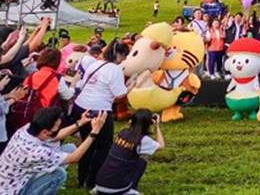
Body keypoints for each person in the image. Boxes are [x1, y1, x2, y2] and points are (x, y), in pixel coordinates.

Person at [72, 39, 136, 189]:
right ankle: (93, 180)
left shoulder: (94, 64)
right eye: (124, 56)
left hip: (81, 106)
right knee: (103, 147)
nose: (124, 59)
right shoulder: (114, 70)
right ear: (118, 54)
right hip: (99, 110)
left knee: (87, 143)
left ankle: (82, 178)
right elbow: (120, 95)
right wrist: (132, 85)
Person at [0, 107, 107, 195]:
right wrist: (95, 131)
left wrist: (80, 123)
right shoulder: (35, 152)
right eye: (55, 129)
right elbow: (74, 158)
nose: (57, 131)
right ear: (45, 132)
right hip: (13, 191)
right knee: (59, 174)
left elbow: (55, 137)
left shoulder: (27, 129)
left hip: (11, 179)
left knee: (69, 148)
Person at [92, 108, 164, 195]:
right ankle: (129, 190)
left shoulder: (123, 132)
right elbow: (161, 145)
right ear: (148, 124)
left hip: (100, 182)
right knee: (142, 161)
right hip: (116, 188)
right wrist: (157, 126)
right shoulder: (142, 140)